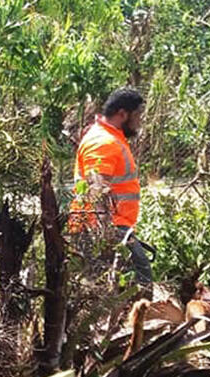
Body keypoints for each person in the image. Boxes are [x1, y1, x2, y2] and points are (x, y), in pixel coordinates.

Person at [68, 88, 153, 287]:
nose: (140, 121)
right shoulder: (103, 143)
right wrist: (106, 239)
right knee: (138, 285)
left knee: (127, 288)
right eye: (138, 115)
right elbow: (96, 191)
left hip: (112, 228)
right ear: (122, 114)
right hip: (103, 230)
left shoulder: (109, 138)